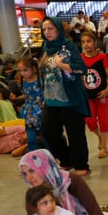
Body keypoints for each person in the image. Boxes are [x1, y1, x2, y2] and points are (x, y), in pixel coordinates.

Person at [38, 16, 91, 175]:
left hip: (70, 99)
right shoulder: (45, 47)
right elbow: (44, 70)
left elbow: (82, 69)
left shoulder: (69, 46)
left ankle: (81, 164)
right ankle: (66, 159)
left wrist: (63, 66)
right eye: (45, 29)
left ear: (58, 30)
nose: (47, 32)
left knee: (75, 134)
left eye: (50, 29)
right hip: (50, 99)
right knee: (49, 132)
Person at [18, 149, 108, 215]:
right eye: (24, 174)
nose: (29, 178)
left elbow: (92, 207)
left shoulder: (71, 180)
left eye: (31, 171)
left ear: (45, 167)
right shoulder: (33, 194)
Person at [80, 31, 108, 159]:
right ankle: (100, 136)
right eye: (83, 42)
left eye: (88, 41)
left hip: (101, 95)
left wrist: (107, 90)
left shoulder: (102, 57)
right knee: (90, 121)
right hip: (87, 96)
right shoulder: (80, 58)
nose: (86, 45)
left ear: (94, 42)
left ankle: (104, 147)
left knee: (104, 121)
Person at [15, 56, 45, 152]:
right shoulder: (23, 82)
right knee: (31, 139)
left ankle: (51, 160)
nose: (22, 73)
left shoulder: (40, 81)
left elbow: (45, 95)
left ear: (34, 68)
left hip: (42, 114)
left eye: (25, 70)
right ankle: (32, 160)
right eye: (20, 71)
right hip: (29, 116)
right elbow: (26, 96)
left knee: (46, 138)